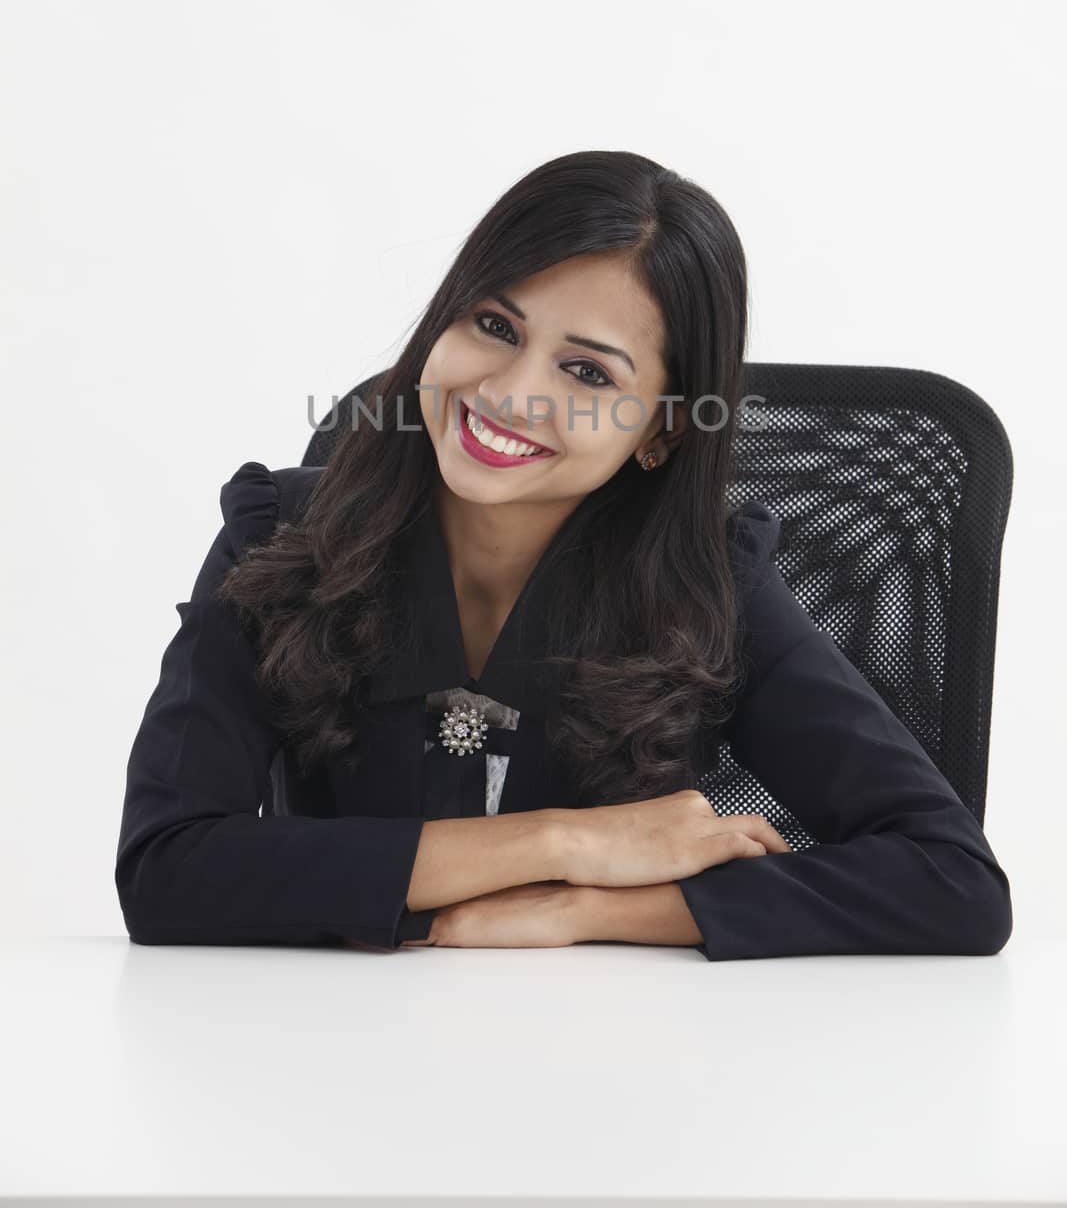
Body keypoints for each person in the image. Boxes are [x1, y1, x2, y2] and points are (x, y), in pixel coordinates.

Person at [114, 150, 1013, 959]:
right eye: (494, 327)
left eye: (587, 373)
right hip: (318, 1063)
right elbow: (167, 870)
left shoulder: (712, 589)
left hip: (619, 1071)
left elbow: (951, 883)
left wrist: (585, 910)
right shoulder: (278, 536)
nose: (507, 394)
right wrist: (565, 844)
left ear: (662, 431)